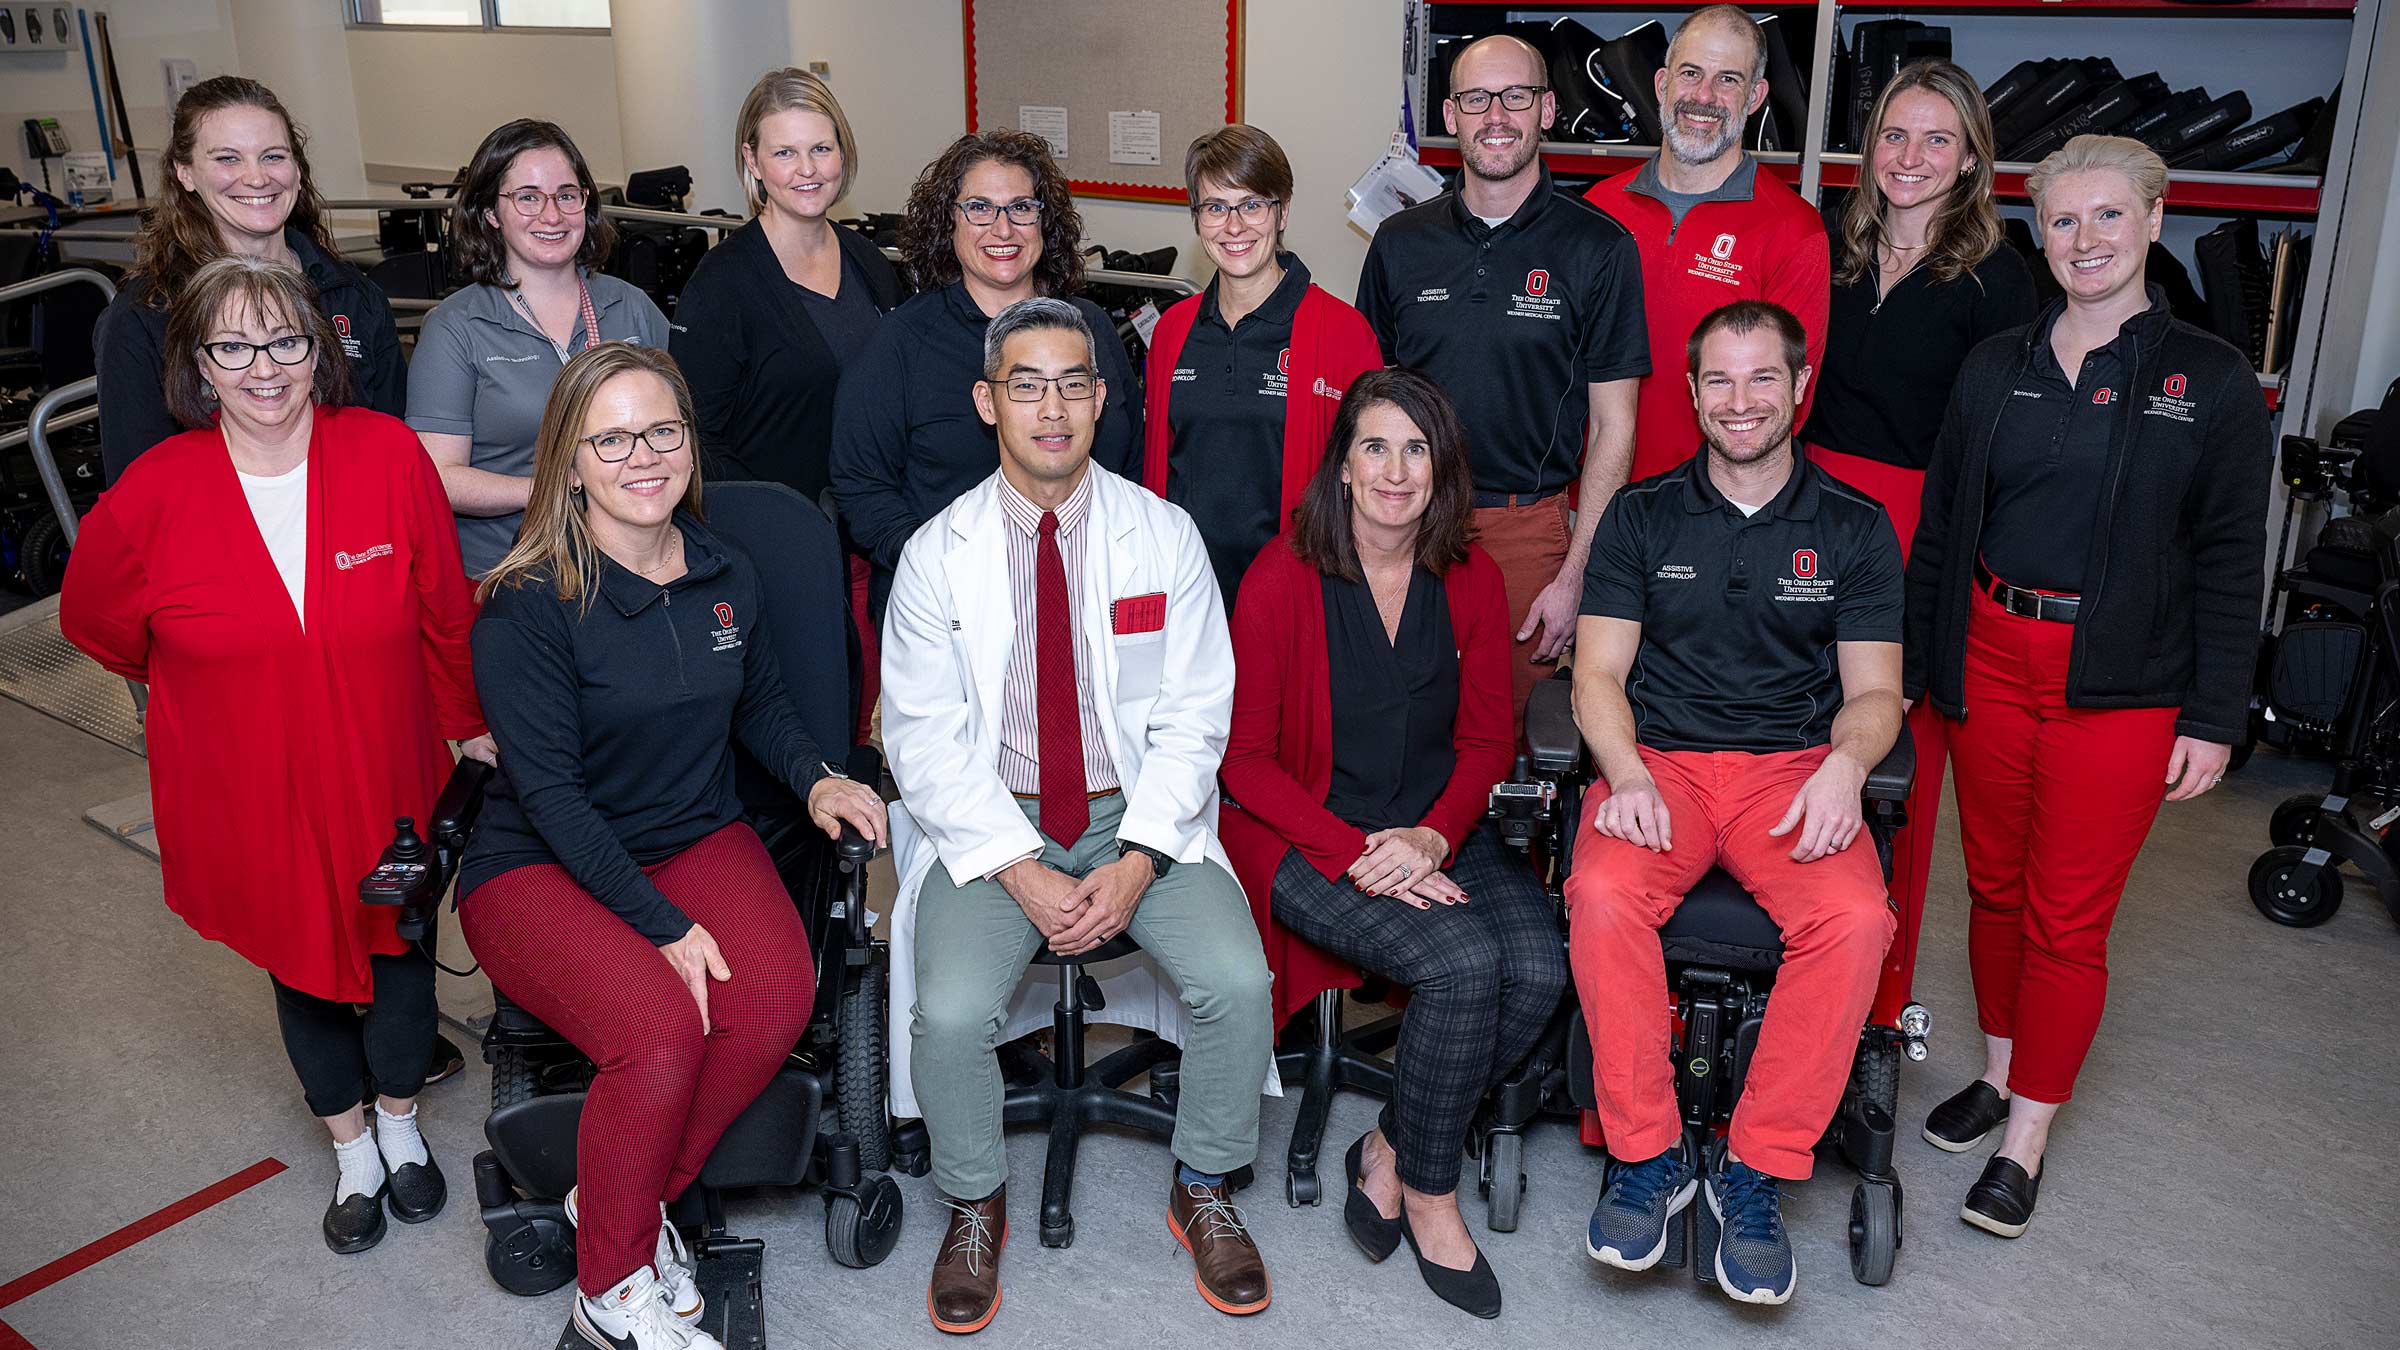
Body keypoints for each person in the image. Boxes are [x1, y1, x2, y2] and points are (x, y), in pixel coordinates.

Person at [456, 342, 887, 1350]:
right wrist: (666, 928)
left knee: (777, 996)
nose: (642, 455)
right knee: (662, 1029)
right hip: (540, 863)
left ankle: (622, 1209)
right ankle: (610, 1287)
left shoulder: (725, 568)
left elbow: (766, 704)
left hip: (690, 829)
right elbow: (554, 800)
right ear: (570, 460)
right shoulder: (527, 604)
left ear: (690, 444)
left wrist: (819, 776)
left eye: (663, 431)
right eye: (612, 437)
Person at [60, 255, 489, 1256]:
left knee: (400, 958)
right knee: (301, 969)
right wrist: (219, 682)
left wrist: (469, 726)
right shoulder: (156, 491)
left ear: (319, 351)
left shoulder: (385, 455)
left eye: (285, 340)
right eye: (233, 345)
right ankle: (349, 1152)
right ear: (198, 365)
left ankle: (399, 1125)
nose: (263, 367)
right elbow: (98, 622)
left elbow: (443, 616)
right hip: (247, 789)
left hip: (387, 775)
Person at [881, 298, 1272, 1333]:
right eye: (1025, 383)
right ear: (987, 401)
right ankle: (975, 1199)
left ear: (1102, 398)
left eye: (1072, 383)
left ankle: (1206, 1181)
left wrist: (1139, 859)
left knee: (1238, 980)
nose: (1050, 407)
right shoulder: (935, 554)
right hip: (994, 822)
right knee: (953, 1012)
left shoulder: (1165, 535)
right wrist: (1021, 869)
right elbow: (921, 740)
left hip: (1134, 813)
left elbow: (1197, 715)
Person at [1904, 135, 2268, 1240]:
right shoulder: (1996, 361)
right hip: (1989, 652)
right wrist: (1924, 667)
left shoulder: (2207, 379)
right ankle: (2003, 1071)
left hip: (2120, 683)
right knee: (1997, 891)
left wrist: (2212, 718)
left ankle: (2026, 1139)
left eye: (2110, 217)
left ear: (2155, 222)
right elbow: (1942, 530)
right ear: (2038, 233)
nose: (2086, 241)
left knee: (2067, 917)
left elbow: (2230, 558)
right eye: (2063, 221)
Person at [1568, 300, 1901, 1307]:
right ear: (1692, 391)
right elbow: (1595, 674)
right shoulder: (1640, 515)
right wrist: (1623, 773)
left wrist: (1848, 765)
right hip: (1660, 762)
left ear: (1800, 386)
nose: (1741, 401)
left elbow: (1877, 692)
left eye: (1764, 379)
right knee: (1602, 894)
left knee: (1855, 921)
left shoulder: (1853, 526)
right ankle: (1650, 1155)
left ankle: (1755, 1170)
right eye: (1720, 380)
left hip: (1789, 772)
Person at [1218, 368, 1567, 1319]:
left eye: (1417, 449)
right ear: (1342, 465)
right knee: (1462, 968)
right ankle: (1430, 1190)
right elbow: (1243, 764)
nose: (1395, 470)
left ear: (1442, 470)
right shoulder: (1281, 577)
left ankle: (1387, 1143)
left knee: (1538, 967)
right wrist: (1356, 849)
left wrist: (1429, 835)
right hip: (1308, 836)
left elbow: (1490, 739)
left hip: (1435, 826)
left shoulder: (1472, 576)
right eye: (1375, 445)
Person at [1798, 58, 2035, 1055]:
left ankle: (1873, 999)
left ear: (1973, 155)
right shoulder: (1826, 241)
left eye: (1938, 138)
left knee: (1895, 759)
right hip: (1803, 511)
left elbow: (1997, 448)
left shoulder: (1999, 276)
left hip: (1917, 530)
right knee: (1783, 732)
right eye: (1896, 134)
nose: (1912, 156)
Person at [1357, 33, 1648, 721]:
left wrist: (1578, 575)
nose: (1496, 115)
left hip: (1528, 534)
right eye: (1476, 98)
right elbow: (1366, 406)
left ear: (1547, 110)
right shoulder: (1400, 243)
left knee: (1514, 736)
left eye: (1516, 96)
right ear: (1450, 114)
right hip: (1408, 518)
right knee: (1398, 717)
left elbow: (1615, 424)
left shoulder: (1600, 248)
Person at [673, 69, 906, 732]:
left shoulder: (870, 263)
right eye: (785, 152)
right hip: (773, 555)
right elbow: (696, 438)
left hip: (867, 543)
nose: (807, 170)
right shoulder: (723, 283)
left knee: (871, 723)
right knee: (808, 731)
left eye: (822, 149)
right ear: (752, 160)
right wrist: (773, 536)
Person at [831, 131, 1142, 625]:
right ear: (948, 222)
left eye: (1021, 207)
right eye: (979, 207)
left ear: (1044, 222)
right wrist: (939, 566)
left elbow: (1129, 463)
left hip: (1087, 590)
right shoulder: (901, 344)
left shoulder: (1089, 329)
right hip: (948, 605)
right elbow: (861, 485)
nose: (1003, 229)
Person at [95, 76, 404, 484]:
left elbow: (396, 445)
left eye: (273, 156)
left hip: (357, 528)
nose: (257, 178)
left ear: (296, 169)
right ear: (185, 173)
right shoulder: (146, 317)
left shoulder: (351, 294)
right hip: (216, 537)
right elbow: (139, 491)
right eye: (228, 159)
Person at [408, 119, 669, 578]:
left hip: (633, 563)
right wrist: (556, 487)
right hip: (511, 572)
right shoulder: (456, 327)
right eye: (527, 197)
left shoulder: (630, 307)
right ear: (491, 212)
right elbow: (439, 477)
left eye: (567, 195)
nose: (551, 216)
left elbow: (679, 429)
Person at [1584, 5, 1830, 482]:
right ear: (1661, 84)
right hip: (1586, 498)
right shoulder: (1597, 209)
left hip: (1707, 508)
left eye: (1729, 80)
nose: (1704, 96)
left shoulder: (1795, 232)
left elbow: (1785, 407)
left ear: (1756, 96)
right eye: (1691, 73)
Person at [1140, 124, 1383, 605]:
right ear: (1196, 219)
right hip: (1187, 593)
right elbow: (1156, 475)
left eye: (1251, 204)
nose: (1234, 227)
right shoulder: (1172, 330)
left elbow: (1370, 482)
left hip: (1298, 595)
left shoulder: (1344, 333)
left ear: (1282, 210)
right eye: (1215, 207)